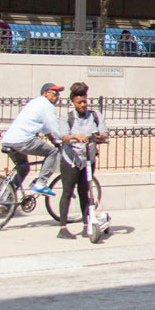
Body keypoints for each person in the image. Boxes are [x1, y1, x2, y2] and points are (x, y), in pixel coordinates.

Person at [56, 82, 109, 238]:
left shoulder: (95, 115)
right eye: (79, 102)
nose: (83, 105)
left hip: (88, 158)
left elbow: (104, 132)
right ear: (73, 102)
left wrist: (101, 137)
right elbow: (63, 137)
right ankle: (63, 228)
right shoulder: (67, 118)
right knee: (67, 191)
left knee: (84, 192)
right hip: (71, 159)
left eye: (85, 101)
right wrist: (75, 137)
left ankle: (87, 225)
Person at [1, 82, 68, 195]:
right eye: (55, 93)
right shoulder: (46, 105)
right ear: (45, 94)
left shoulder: (35, 103)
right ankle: (41, 183)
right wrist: (64, 140)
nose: (57, 97)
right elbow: (54, 127)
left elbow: (45, 128)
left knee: (23, 170)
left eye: (59, 94)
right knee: (53, 153)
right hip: (24, 141)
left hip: (9, 141)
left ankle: (6, 200)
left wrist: (52, 139)